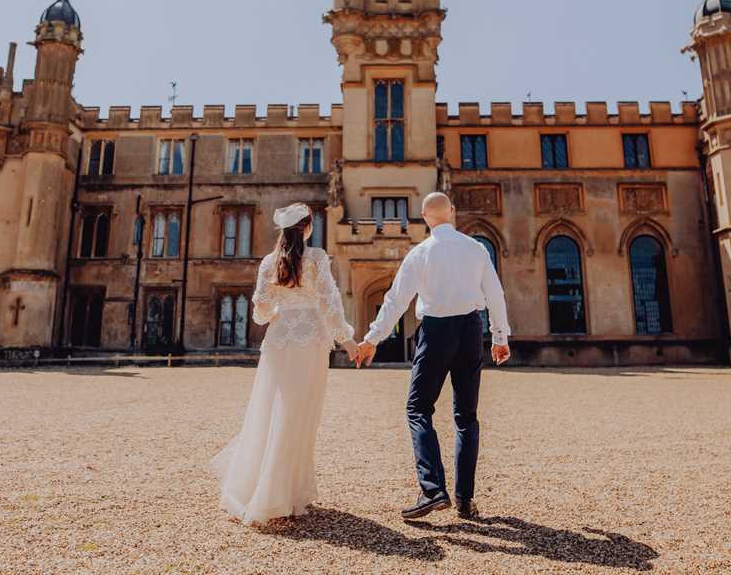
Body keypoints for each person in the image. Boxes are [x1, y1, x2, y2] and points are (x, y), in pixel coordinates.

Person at [353, 191, 511, 521]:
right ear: (451, 212)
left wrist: (371, 340)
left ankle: (432, 489)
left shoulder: (420, 253)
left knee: (418, 408)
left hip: (436, 331)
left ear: (424, 218)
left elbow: (396, 301)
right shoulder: (476, 248)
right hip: (471, 329)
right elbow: (494, 293)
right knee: (466, 416)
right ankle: (465, 501)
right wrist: (499, 337)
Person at [212, 202, 359, 524]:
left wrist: (281, 313)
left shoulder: (269, 262)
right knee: (300, 416)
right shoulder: (317, 258)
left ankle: (263, 489)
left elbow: (261, 312)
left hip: (279, 341)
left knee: (270, 411)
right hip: (311, 343)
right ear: (308, 227)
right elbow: (329, 304)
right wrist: (348, 340)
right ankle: (287, 494)